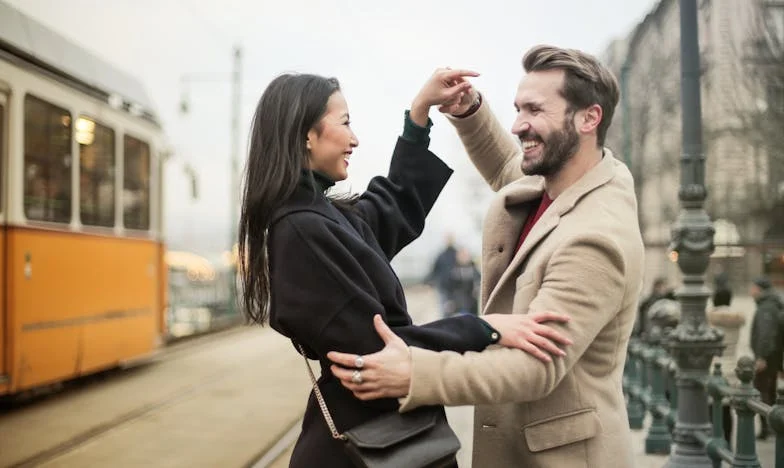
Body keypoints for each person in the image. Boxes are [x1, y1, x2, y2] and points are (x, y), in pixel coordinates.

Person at [328, 45, 645, 467]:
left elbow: (536, 367)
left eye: (535, 110)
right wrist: (469, 109)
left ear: (589, 118)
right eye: (517, 108)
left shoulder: (595, 236)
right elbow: (506, 169)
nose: (518, 125)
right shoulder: (560, 179)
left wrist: (414, 373)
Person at [237, 71, 573, 468]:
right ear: (306, 135)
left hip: (378, 436)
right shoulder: (302, 229)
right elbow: (382, 350)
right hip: (370, 445)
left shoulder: (318, 216)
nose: (355, 139)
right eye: (345, 123)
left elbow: (390, 205)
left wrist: (419, 116)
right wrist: (485, 328)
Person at [749, 276, 784, 440]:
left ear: (760, 289)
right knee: (769, 391)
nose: (751, 291)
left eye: (753, 287)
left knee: (762, 391)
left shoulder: (766, 308)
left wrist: (761, 357)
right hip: (774, 357)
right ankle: (770, 427)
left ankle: (767, 428)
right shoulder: (771, 304)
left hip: (767, 358)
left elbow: (766, 334)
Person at [446, 247, 481, 316]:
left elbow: (479, 281)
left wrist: (477, 288)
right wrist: (449, 300)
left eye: (466, 256)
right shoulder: (453, 270)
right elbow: (449, 287)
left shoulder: (473, 269)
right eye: (462, 256)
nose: (464, 258)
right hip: (457, 304)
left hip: (472, 303)